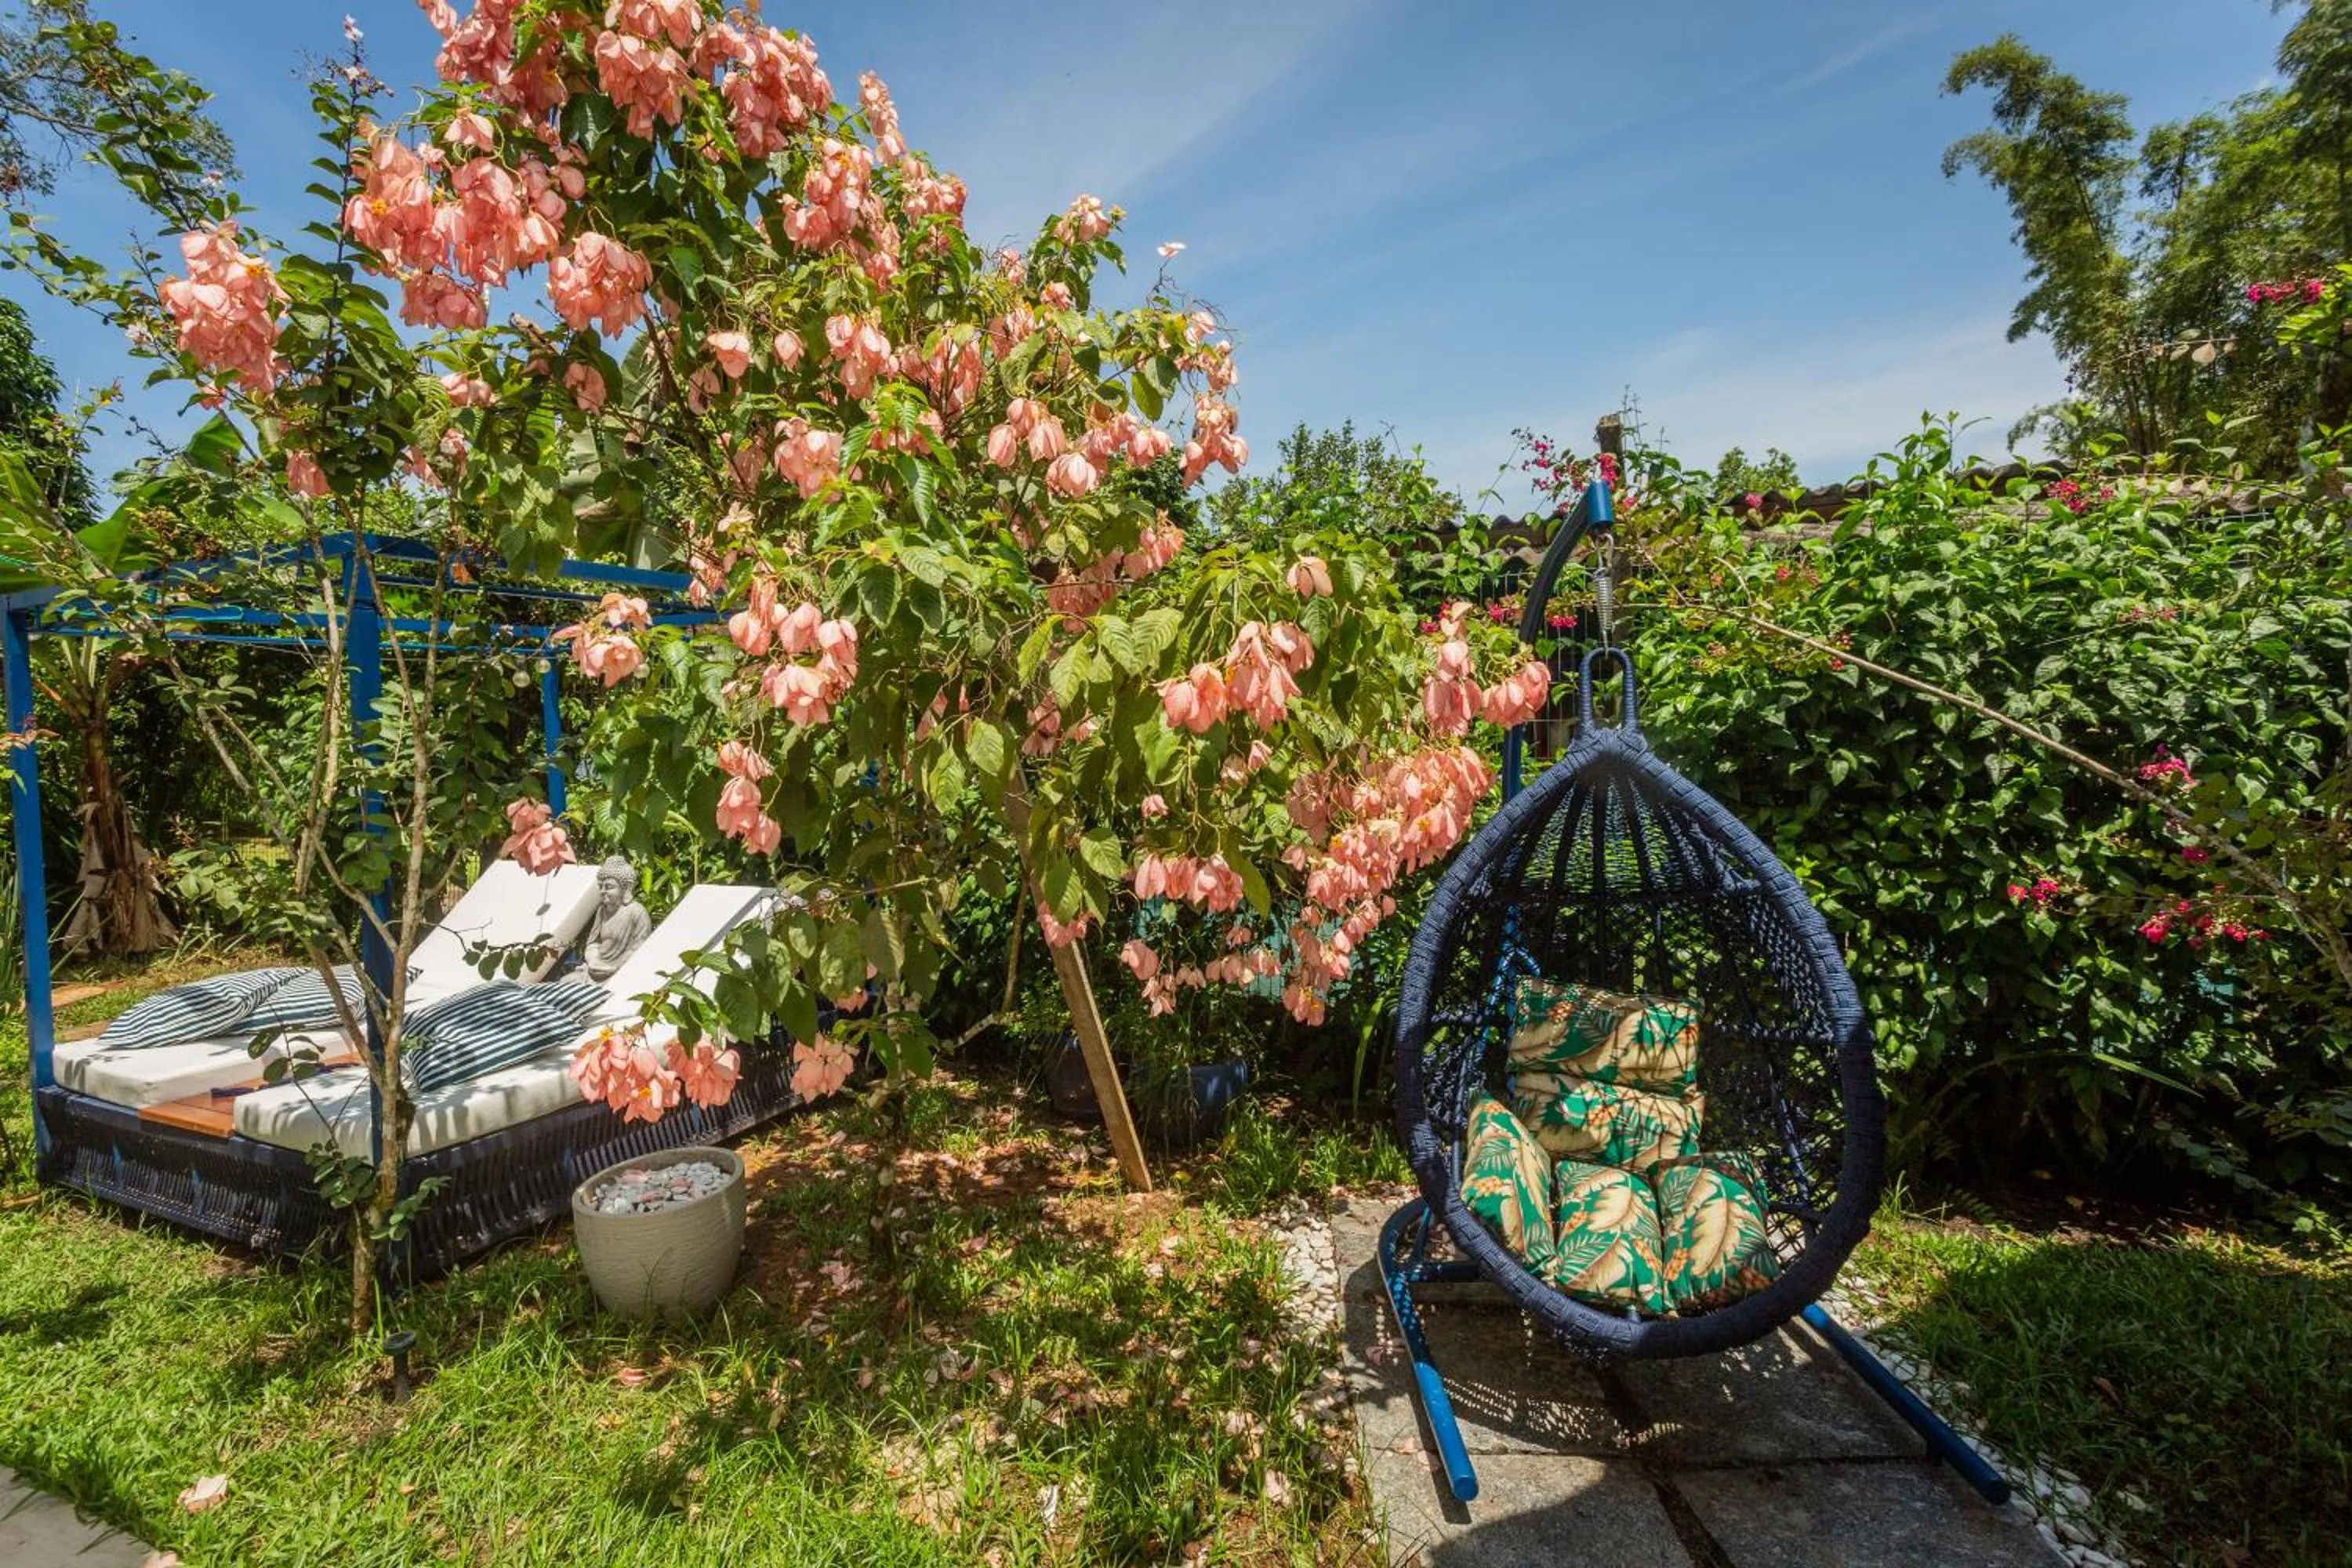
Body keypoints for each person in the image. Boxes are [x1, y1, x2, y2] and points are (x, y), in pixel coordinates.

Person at [581, 856, 652, 979]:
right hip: (596, 969)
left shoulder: (636, 912)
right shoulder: (602, 911)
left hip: (622, 971)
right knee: (566, 981)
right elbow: (593, 943)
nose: (602, 891)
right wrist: (593, 961)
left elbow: (640, 948)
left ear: (626, 888)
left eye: (609, 887)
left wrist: (615, 967)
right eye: (600, 886)